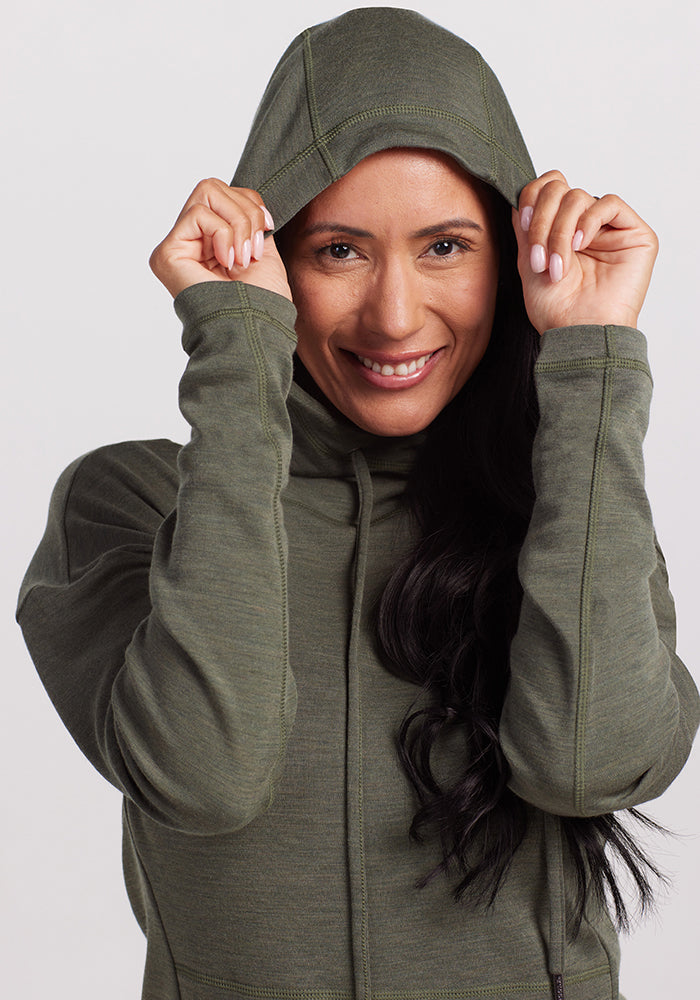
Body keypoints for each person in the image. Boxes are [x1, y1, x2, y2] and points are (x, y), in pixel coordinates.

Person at [16, 7, 699, 1000]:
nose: (394, 315)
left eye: (445, 247)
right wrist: (237, 355)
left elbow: (591, 765)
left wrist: (591, 364)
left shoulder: (565, 503)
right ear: (271, 257)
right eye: (339, 250)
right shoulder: (130, 505)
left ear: (511, 263)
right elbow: (203, 776)